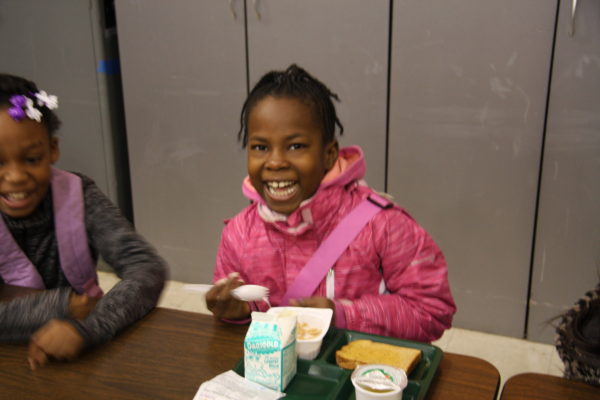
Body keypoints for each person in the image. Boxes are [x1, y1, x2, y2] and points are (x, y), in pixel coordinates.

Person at [206, 64, 456, 342]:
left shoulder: (383, 225)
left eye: (296, 146)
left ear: (329, 154)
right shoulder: (238, 234)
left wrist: (342, 316)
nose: (275, 162)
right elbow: (242, 317)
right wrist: (235, 309)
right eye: (261, 147)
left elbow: (433, 311)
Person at [0, 73, 168, 369]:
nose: (15, 177)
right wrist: (64, 307)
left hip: (86, 354)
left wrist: (88, 329)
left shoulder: (80, 195)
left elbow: (147, 267)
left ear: (52, 149)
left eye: (31, 159)